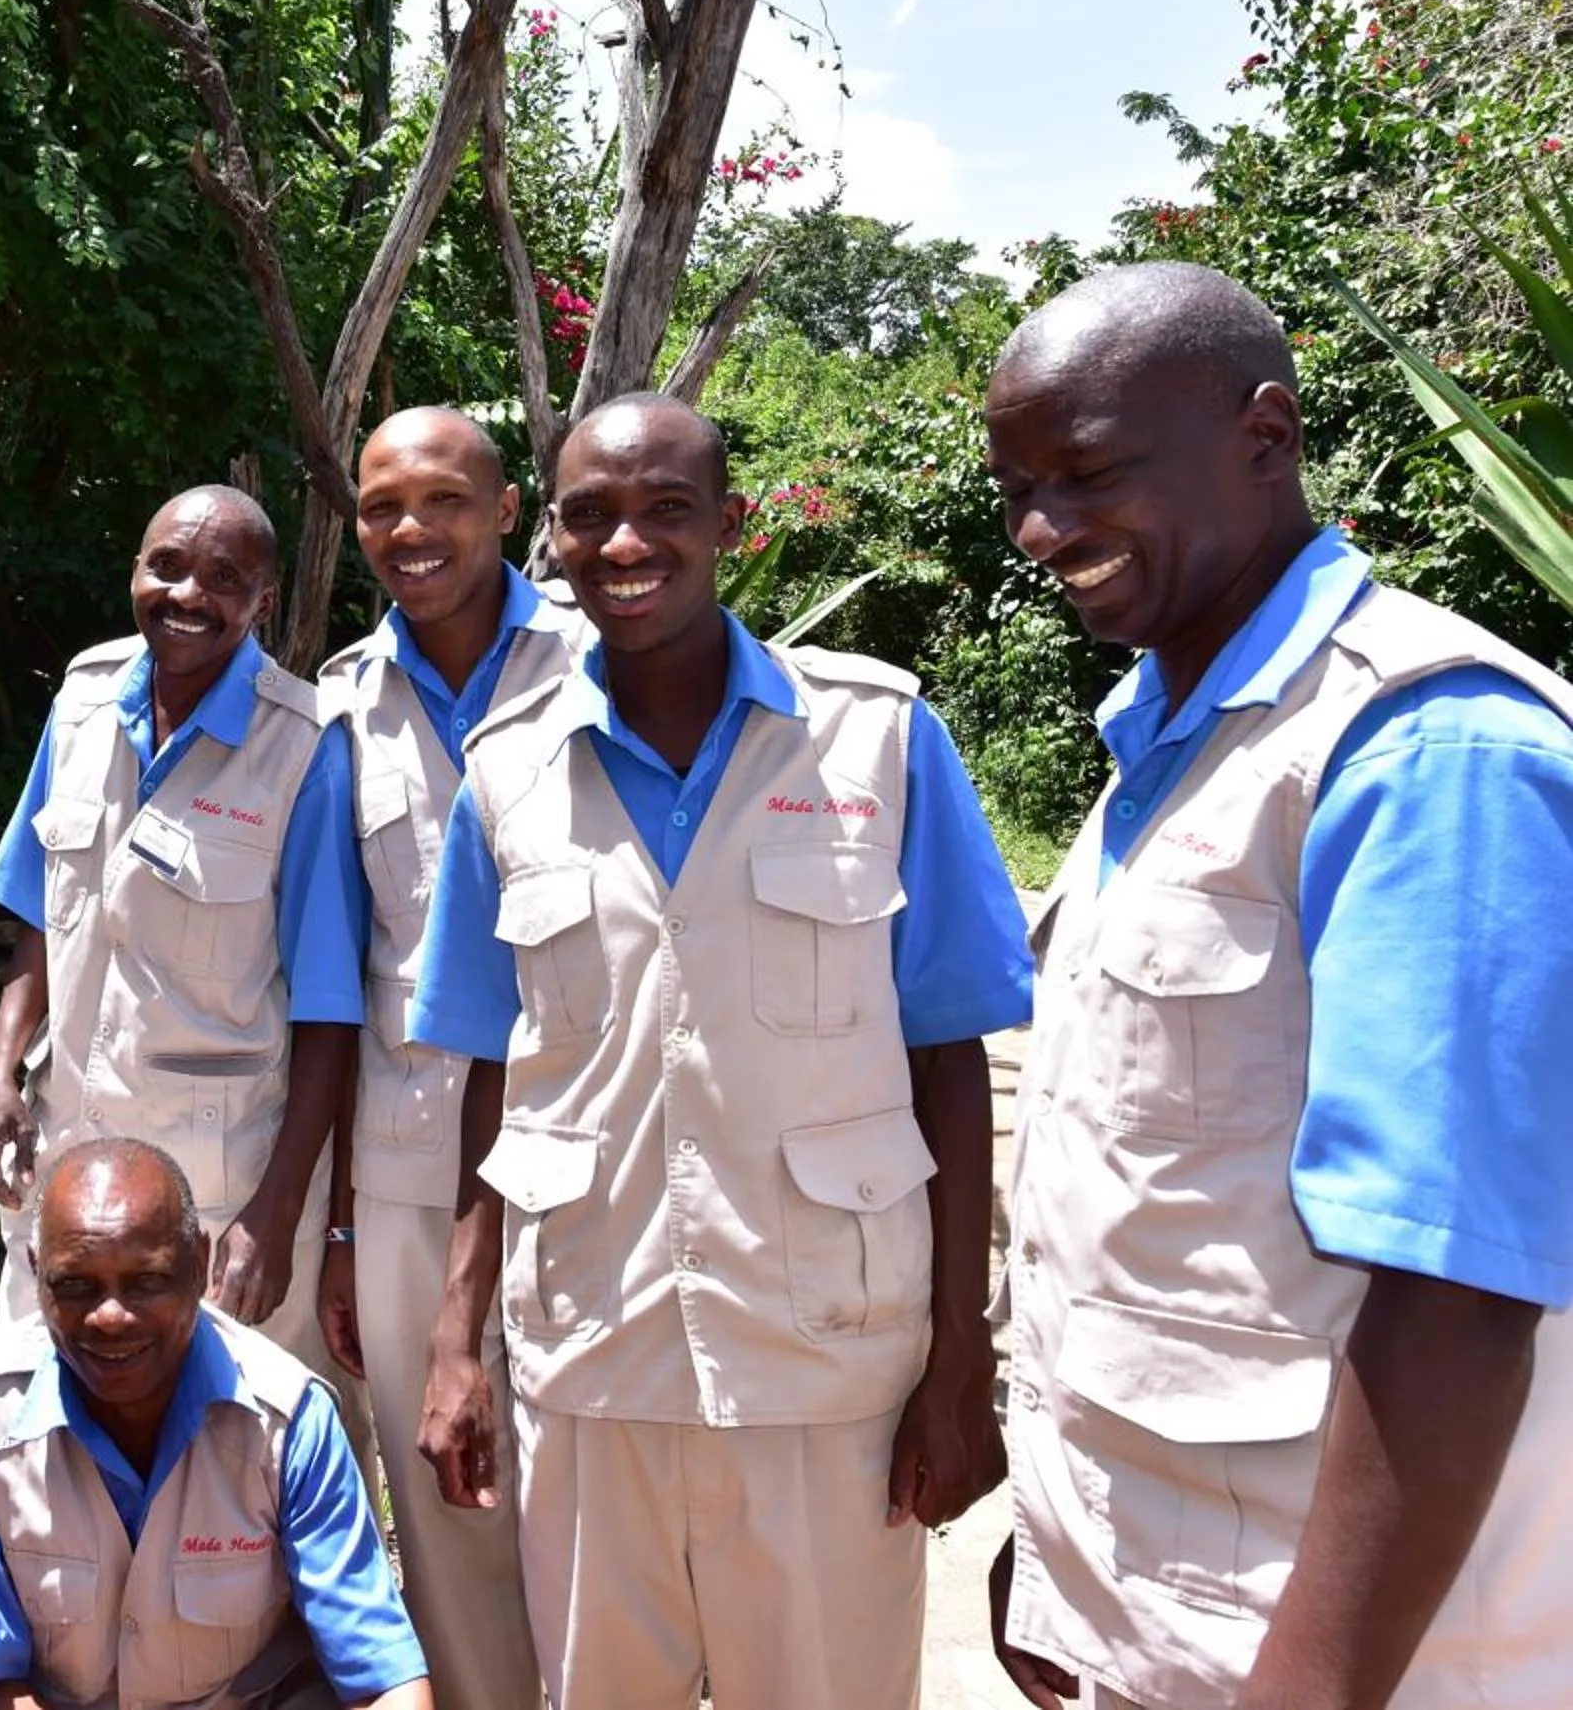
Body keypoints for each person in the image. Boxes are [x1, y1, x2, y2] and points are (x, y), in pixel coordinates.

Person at [980, 263, 1573, 1710]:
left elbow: (1457, 1295)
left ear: (1266, 434)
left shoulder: (1430, 753)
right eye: (1017, 487)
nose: (1042, 530)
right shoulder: (1172, 746)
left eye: (1088, 471)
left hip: (1343, 1659)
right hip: (1163, 1611)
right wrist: (1056, 1543)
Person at [413, 394, 1030, 1710]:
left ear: (731, 527)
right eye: (590, 516)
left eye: (665, 510)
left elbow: (951, 1061)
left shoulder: (879, 740)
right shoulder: (506, 773)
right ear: (555, 544)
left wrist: (961, 1362)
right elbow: (486, 1066)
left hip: (827, 1357)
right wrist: (457, 1340)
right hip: (591, 1346)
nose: (625, 541)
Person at [0, 486, 366, 1375]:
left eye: (223, 578)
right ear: (135, 572)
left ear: (264, 601)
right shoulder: (82, 702)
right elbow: (41, 907)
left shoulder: (303, 748)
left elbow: (331, 1010)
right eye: (168, 567)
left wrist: (279, 1209)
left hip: (220, 1188)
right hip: (63, 1151)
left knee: (235, 1442)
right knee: (42, 1424)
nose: (188, 593)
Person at [311, 407, 564, 1708]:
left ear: (508, 507)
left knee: (598, 1490)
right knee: (449, 1499)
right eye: (381, 509)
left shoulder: (604, 664)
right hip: (411, 1168)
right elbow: (345, 978)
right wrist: (346, 1226)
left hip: (599, 1157)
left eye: (445, 500)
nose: (412, 530)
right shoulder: (340, 709)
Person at [0, 1138, 432, 1710]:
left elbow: (382, 1676)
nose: (110, 1317)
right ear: (36, 1273)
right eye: (75, 1285)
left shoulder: (288, 1420)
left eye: (147, 1281)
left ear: (199, 1265)